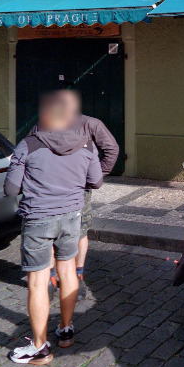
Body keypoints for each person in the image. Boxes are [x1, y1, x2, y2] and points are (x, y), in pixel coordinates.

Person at [4, 91, 103, 365]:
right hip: (71, 216)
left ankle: (39, 347)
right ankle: (66, 329)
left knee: (38, 281)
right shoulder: (87, 145)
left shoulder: (28, 145)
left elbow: (11, 188)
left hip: (38, 218)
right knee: (68, 270)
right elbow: (95, 182)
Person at [30, 89, 119, 300]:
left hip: (64, 189)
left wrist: (94, 175)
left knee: (70, 230)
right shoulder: (45, 124)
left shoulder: (89, 124)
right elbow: (31, 150)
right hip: (58, 188)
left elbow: (111, 149)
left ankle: (66, 277)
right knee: (72, 230)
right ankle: (61, 277)